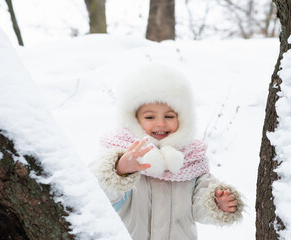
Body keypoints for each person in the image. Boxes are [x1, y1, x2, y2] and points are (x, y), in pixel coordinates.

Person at [90, 64, 244, 240]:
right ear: (134, 119)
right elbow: (96, 195)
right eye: (150, 117)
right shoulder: (122, 154)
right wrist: (118, 171)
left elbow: (201, 206)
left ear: (183, 118)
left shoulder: (192, 160)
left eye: (169, 116)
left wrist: (218, 203)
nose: (161, 124)